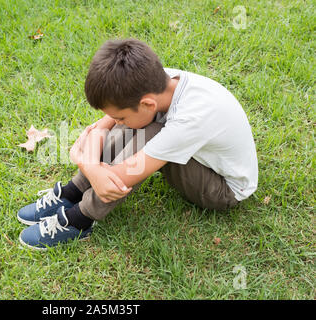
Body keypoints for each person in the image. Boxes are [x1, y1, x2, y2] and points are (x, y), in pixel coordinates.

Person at [17, 38, 258, 250]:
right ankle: (74, 190)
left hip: (223, 189)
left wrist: (83, 159)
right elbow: (102, 127)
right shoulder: (155, 83)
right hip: (195, 152)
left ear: (148, 104)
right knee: (135, 124)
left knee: (150, 132)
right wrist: (93, 165)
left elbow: (120, 179)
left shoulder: (190, 119)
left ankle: (80, 219)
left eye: (119, 116)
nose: (117, 122)